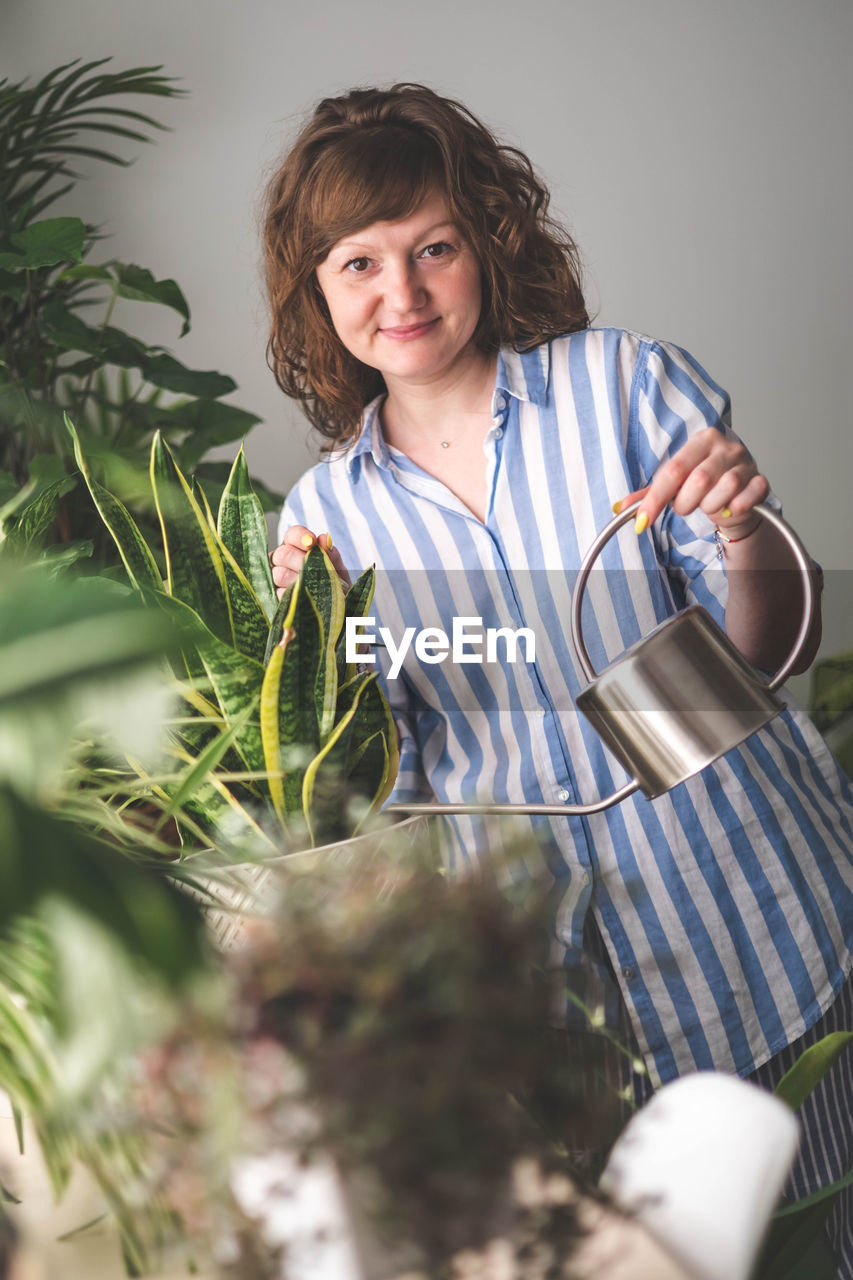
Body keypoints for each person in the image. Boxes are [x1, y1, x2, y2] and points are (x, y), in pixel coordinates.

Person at [264, 84, 853, 1271]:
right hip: (556, 1008)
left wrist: (741, 528)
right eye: (359, 263)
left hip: (764, 926)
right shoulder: (325, 515)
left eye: (432, 247)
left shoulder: (624, 384)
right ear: (317, 293)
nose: (403, 293)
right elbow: (374, 792)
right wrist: (310, 662)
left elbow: (771, 643)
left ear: (487, 238)